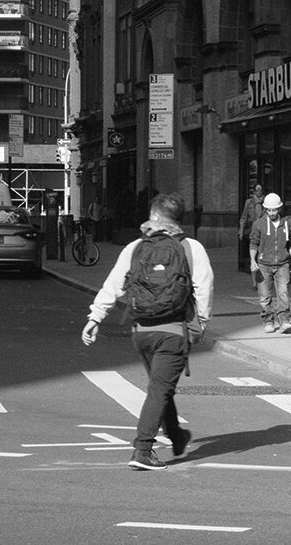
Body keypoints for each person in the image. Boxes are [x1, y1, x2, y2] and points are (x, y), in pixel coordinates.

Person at [81, 192, 216, 471]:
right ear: (180, 219)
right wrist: (201, 323)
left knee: (160, 386)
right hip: (175, 331)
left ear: (154, 217)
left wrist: (95, 317)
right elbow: (204, 287)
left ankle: (177, 436)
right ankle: (143, 450)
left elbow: (114, 284)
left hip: (141, 331)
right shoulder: (191, 248)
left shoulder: (136, 246)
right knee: (159, 389)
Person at [251, 191, 291, 334]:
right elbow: (253, 243)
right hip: (264, 264)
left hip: (283, 263)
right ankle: (268, 321)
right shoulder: (258, 224)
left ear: (279, 209)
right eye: (269, 210)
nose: (271, 213)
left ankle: (284, 321)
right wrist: (252, 261)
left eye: (274, 210)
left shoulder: (287, 223)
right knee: (265, 295)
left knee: (283, 292)